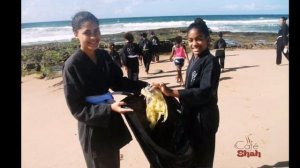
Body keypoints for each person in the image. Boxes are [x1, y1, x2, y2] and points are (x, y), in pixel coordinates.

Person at [62, 11, 148, 168]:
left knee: (113, 163)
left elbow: (118, 82)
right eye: (87, 32)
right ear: (76, 34)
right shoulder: (72, 65)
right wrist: (108, 109)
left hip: (110, 123)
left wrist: (146, 87)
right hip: (92, 127)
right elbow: (76, 108)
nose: (94, 37)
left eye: (97, 31)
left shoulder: (103, 56)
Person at [151, 18, 221, 167]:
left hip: (204, 120)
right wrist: (164, 92)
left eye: (199, 39)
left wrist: (173, 92)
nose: (194, 44)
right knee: (190, 158)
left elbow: (205, 92)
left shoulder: (210, 61)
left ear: (207, 40)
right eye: (190, 40)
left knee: (203, 159)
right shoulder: (194, 59)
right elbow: (190, 88)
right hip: (190, 116)